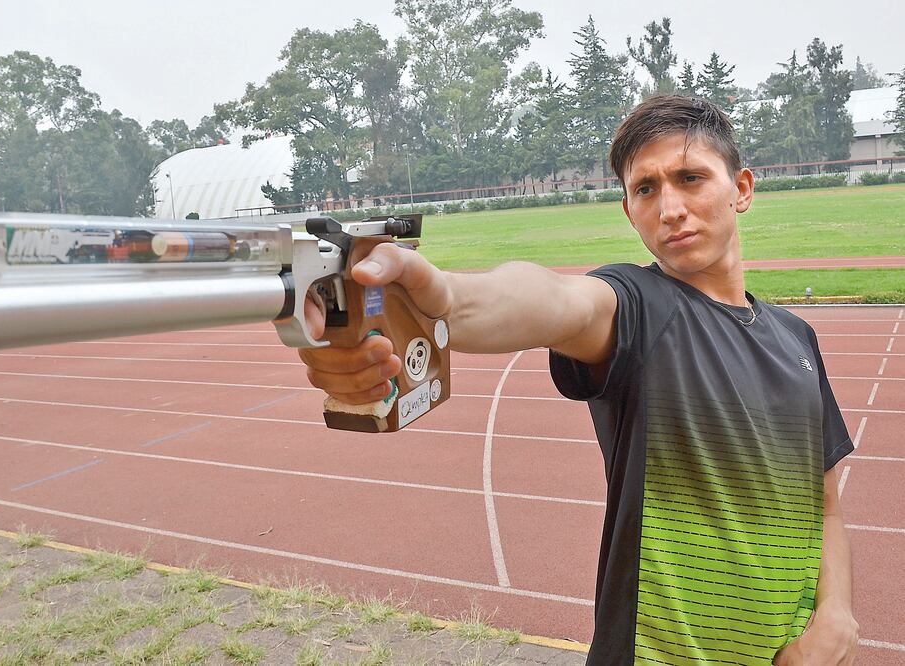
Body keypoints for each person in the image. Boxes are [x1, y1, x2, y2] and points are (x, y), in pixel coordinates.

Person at [299, 95, 858, 665]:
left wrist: (836, 612)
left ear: (741, 188)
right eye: (646, 189)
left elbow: (827, 503)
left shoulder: (797, 338)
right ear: (628, 210)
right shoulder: (640, 307)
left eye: (690, 178)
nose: (670, 207)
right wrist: (444, 299)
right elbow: (555, 302)